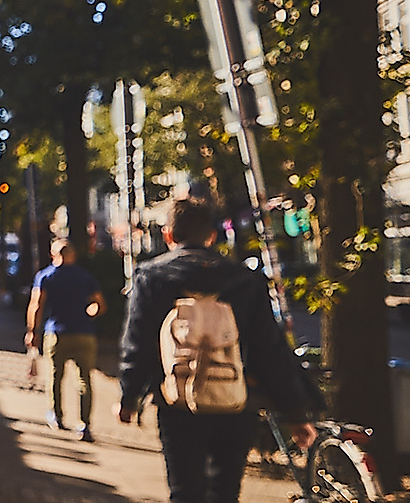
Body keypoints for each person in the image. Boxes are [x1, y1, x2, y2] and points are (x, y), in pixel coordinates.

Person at [119, 195, 315, 503]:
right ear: (211, 236)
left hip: (177, 401)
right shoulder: (246, 280)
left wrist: (129, 397)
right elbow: (269, 348)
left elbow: (139, 341)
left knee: (185, 491)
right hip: (236, 400)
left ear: (169, 235)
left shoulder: (152, 277)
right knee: (225, 492)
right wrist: (294, 412)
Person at [27, 238, 104, 440]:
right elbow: (99, 305)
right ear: (73, 255)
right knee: (84, 379)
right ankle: (85, 424)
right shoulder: (85, 277)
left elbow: (36, 305)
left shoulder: (45, 276)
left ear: (53, 255)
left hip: (56, 333)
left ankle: (57, 416)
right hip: (84, 333)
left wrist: (32, 331)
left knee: (55, 376)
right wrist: (89, 313)